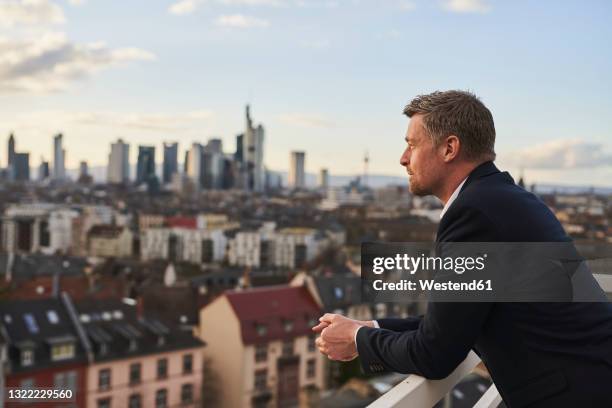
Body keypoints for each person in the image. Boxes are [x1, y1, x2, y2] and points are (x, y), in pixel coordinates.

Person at [313, 90, 612, 407]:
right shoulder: (502, 200)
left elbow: (435, 354)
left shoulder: (474, 214)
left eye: (412, 144)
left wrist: (358, 340)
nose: (403, 158)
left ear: (449, 148)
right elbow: (456, 320)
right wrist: (370, 327)